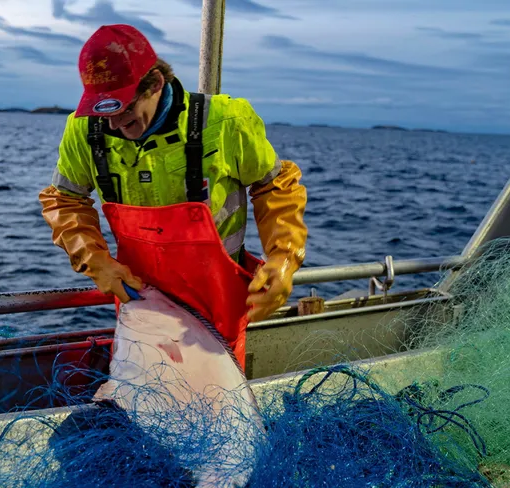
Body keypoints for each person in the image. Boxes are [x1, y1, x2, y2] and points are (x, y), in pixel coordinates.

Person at [38, 24, 308, 367]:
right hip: (140, 303)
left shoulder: (227, 120)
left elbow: (276, 186)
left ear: (154, 85)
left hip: (217, 308)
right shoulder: (84, 128)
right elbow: (65, 199)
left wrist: (282, 259)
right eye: (102, 113)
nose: (112, 127)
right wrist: (97, 262)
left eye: (123, 112)